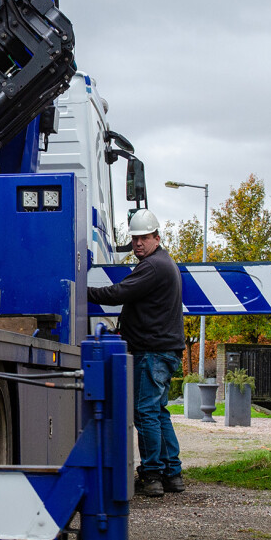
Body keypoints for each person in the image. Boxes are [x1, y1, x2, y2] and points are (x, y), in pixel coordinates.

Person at [87, 208, 185, 498]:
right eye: (134, 238)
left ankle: (153, 474)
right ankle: (173, 473)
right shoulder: (163, 263)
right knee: (158, 412)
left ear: (156, 237)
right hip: (163, 350)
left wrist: (83, 291)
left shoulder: (153, 267)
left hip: (152, 352)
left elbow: (118, 293)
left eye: (143, 238)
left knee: (145, 414)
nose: (138, 243)